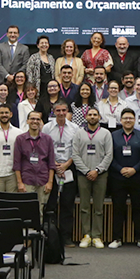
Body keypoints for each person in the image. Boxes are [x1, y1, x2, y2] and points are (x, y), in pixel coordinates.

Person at [109, 108, 140, 249]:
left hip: (137, 177)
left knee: (139, 208)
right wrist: (120, 169)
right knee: (118, 208)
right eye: (125, 118)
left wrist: (135, 169)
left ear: (135, 120)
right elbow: (109, 156)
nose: (128, 120)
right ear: (121, 120)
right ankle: (117, 238)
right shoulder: (113, 136)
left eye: (131, 118)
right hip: (117, 177)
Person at [73, 106, 112, 248]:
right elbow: (75, 154)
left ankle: (97, 236)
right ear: (86, 117)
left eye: (95, 114)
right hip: (83, 174)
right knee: (84, 206)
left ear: (99, 117)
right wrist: (86, 171)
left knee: (98, 207)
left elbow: (109, 155)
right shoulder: (79, 133)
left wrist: (97, 170)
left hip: (100, 174)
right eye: (90, 114)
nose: (93, 117)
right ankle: (86, 235)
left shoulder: (106, 133)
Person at [44, 101, 80, 244]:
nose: (61, 113)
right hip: (51, 169)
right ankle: (49, 237)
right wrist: (54, 166)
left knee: (67, 204)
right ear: (54, 112)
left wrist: (66, 165)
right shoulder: (47, 128)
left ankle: (66, 237)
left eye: (63, 110)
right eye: (58, 110)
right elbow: (44, 148)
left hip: (69, 168)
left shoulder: (75, 128)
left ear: (67, 111)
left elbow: (77, 150)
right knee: (50, 204)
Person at [14, 111, 56, 215]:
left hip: (43, 180)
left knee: (40, 211)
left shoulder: (47, 139)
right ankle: (26, 231)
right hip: (27, 180)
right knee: (26, 211)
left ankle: (38, 231)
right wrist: (20, 183)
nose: (35, 121)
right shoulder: (20, 139)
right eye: (32, 119)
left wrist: (50, 182)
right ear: (27, 121)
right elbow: (17, 163)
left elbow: (51, 163)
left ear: (41, 122)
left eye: (38, 119)